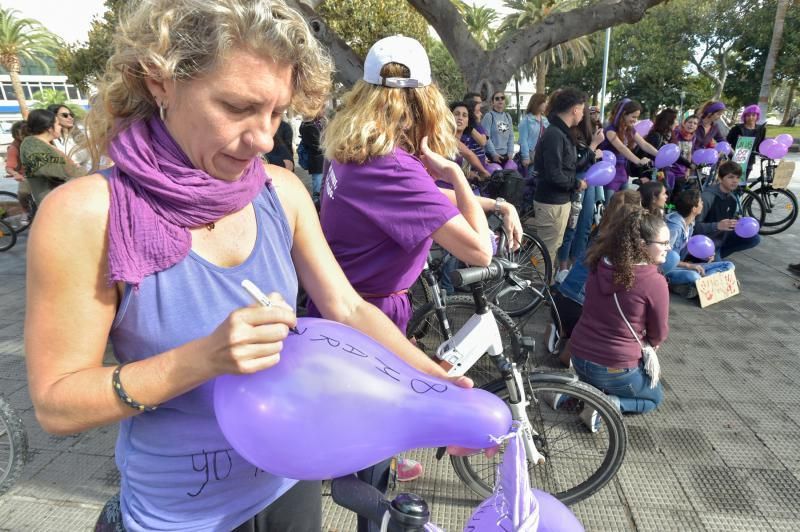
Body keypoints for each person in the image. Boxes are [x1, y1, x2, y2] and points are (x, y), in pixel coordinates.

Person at [25, 5, 471, 532]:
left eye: (278, 113)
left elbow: (347, 307)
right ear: (160, 82)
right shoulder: (86, 214)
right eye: (238, 107)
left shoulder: (280, 192)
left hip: (292, 479)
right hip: (180, 512)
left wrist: (432, 380)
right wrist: (203, 359)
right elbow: (57, 405)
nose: (263, 138)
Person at [310, 34, 521, 500]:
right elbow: (480, 252)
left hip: (339, 309)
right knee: (370, 458)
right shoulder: (394, 168)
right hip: (369, 317)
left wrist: (496, 202)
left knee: (367, 434)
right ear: (426, 102)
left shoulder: (356, 153)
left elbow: (423, 204)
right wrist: (458, 172)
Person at [569, 209, 669, 418]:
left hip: (578, 355)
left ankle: (569, 395)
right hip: (615, 367)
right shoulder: (654, 281)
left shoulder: (599, 263)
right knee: (654, 398)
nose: (668, 248)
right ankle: (608, 404)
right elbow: (658, 333)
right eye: (663, 243)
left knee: (596, 381)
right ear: (643, 245)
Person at [548, 190, 642, 367]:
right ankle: (571, 345)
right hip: (581, 309)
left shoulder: (599, 230)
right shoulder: (621, 244)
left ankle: (560, 330)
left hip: (561, 300)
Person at [531, 87, 589, 278]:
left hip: (559, 200)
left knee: (552, 246)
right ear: (575, 109)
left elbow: (566, 167)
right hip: (551, 201)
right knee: (545, 249)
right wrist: (576, 184)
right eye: (582, 109)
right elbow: (553, 173)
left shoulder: (562, 132)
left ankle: (543, 284)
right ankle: (538, 287)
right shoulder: (555, 134)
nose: (583, 113)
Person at [556, 104, 604, 277]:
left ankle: (575, 263)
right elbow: (578, 164)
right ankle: (562, 267)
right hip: (577, 183)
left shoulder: (590, 133)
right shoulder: (570, 134)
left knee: (584, 226)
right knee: (572, 226)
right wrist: (593, 147)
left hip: (590, 183)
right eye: (589, 112)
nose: (593, 116)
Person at [664, 188, 735, 298]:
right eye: (700, 202)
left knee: (729, 265)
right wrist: (689, 265)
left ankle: (701, 285)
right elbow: (666, 257)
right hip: (669, 269)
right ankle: (680, 284)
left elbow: (687, 248)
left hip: (683, 265)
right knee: (693, 276)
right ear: (694, 209)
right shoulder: (674, 227)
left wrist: (703, 257)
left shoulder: (691, 223)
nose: (702, 203)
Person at [695, 161, 761, 259]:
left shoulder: (732, 198)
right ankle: (711, 256)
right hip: (705, 241)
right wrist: (717, 225)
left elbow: (729, 219)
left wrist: (738, 222)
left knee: (754, 238)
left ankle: (719, 254)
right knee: (721, 268)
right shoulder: (707, 197)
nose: (735, 181)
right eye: (731, 177)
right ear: (720, 178)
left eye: (737, 177)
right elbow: (693, 227)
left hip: (721, 238)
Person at [20, 109, 85, 204]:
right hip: (53, 201)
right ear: (49, 128)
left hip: (62, 197)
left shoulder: (45, 144)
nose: (60, 127)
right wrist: (75, 169)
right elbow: (46, 169)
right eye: (58, 124)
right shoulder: (31, 144)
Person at [598, 99, 658, 200]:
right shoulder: (610, 130)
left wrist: (659, 154)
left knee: (624, 205)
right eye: (633, 116)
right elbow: (621, 148)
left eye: (637, 117)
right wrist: (638, 161)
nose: (635, 120)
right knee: (610, 206)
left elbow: (644, 144)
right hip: (610, 172)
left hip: (623, 172)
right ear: (624, 114)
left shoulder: (630, 129)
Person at [450, 101, 490, 180]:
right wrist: (484, 172)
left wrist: (468, 173)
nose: (460, 118)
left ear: (468, 122)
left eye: (464, 115)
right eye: (456, 114)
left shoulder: (466, 142)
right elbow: (468, 154)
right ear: (449, 117)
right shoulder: (444, 138)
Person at [47, 104, 91, 171]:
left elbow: (90, 159)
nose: (70, 117)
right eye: (65, 115)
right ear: (54, 117)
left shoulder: (81, 134)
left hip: (86, 174)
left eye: (71, 115)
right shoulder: (51, 140)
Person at [726, 104, 766, 178]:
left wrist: (764, 153)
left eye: (753, 115)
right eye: (748, 115)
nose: (751, 117)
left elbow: (760, 144)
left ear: (757, 116)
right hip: (736, 159)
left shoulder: (761, 129)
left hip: (750, 159)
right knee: (734, 181)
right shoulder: (737, 128)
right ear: (744, 116)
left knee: (743, 182)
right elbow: (727, 142)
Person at [667, 114, 699, 198]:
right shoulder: (675, 133)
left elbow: (689, 153)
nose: (692, 125)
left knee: (677, 195)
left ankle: (673, 208)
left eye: (695, 123)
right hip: (670, 169)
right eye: (690, 122)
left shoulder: (693, 137)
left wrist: (687, 170)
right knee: (667, 193)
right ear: (684, 123)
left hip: (682, 171)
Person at [518, 93, 549, 177]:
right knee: (531, 182)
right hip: (531, 157)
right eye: (545, 102)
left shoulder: (545, 120)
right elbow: (523, 140)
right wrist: (525, 157)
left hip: (543, 156)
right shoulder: (526, 120)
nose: (547, 104)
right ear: (537, 103)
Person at [481, 90, 515, 165]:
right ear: (492, 102)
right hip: (492, 156)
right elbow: (486, 137)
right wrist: (493, 154)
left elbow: (511, 136)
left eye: (502, 98)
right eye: (497, 98)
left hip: (506, 156)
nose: (500, 100)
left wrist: (510, 153)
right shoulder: (489, 116)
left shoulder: (508, 116)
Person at [298, 114, 325, 201]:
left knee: (318, 182)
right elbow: (316, 146)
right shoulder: (309, 126)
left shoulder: (310, 124)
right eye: (322, 109)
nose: (323, 112)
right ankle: (317, 204)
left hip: (318, 160)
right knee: (318, 184)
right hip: (317, 160)